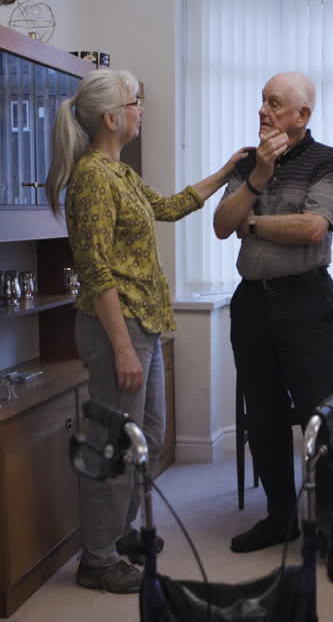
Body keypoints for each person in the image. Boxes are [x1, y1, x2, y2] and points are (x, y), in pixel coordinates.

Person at [48, 69, 248, 593]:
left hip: (145, 324)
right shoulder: (92, 177)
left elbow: (170, 206)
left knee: (149, 437)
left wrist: (227, 170)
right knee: (115, 442)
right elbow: (95, 270)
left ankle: (120, 532)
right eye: (135, 103)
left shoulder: (121, 174)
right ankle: (98, 556)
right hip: (118, 328)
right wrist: (121, 347)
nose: (141, 110)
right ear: (112, 118)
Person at [213, 71, 333, 585]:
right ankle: (281, 519)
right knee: (265, 419)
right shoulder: (251, 162)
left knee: (325, 422)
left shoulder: (327, 160)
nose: (262, 110)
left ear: (302, 115)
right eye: (261, 101)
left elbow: (313, 226)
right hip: (252, 302)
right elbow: (218, 224)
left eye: (274, 103)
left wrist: (250, 223)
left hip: (304, 301)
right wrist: (256, 180)